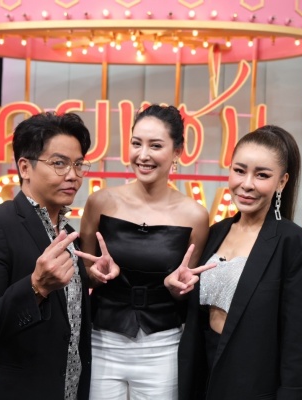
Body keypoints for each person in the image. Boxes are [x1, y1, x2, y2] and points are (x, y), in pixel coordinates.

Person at [75, 104, 213, 400]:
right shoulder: (100, 202)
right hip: (102, 341)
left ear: (177, 152)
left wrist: (178, 289)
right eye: (136, 143)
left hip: (163, 346)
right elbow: (83, 276)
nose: (143, 155)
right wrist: (96, 276)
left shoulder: (195, 215)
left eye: (156, 145)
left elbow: (187, 289)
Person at [0, 112, 93, 399]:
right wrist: (36, 287)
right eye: (59, 163)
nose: (73, 175)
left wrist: (97, 279)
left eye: (78, 164)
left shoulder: (68, 234)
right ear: (25, 167)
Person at [178, 125, 302, 399]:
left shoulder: (298, 247)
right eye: (239, 170)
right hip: (202, 372)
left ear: (282, 182)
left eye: (262, 175)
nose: (246, 184)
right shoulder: (215, 232)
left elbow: (299, 344)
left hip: (254, 382)